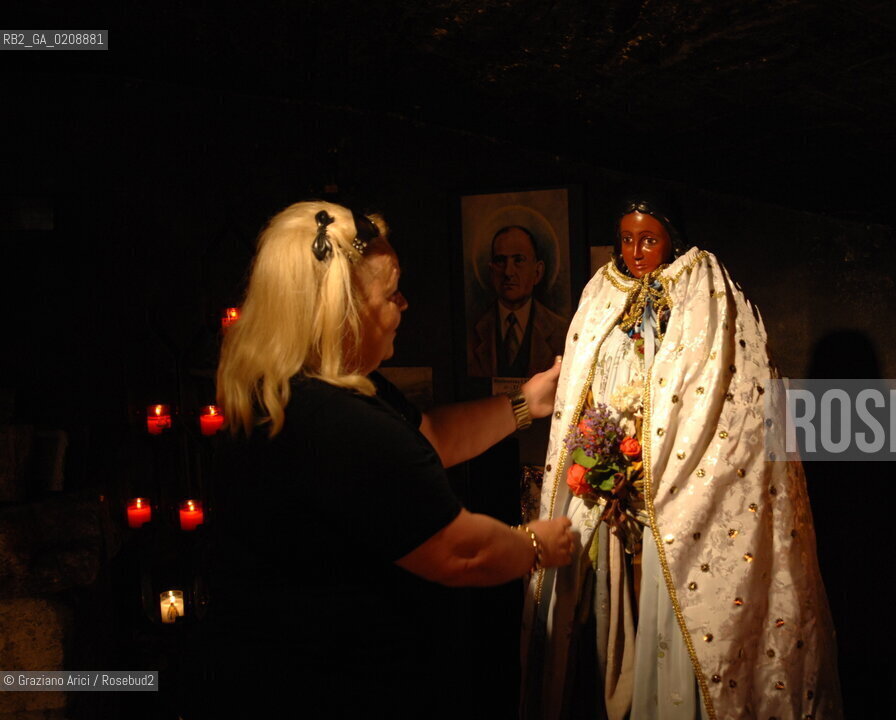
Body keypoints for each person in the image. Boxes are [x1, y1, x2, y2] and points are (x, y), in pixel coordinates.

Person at [198, 201, 575, 717]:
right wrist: (538, 543)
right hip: (335, 692)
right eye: (389, 291)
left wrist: (524, 404)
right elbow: (460, 554)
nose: (404, 303)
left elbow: (432, 437)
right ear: (341, 310)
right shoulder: (339, 423)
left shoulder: (296, 388)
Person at [521, 198, 841, 720]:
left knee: (678, 612)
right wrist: (602, 458)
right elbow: (590, 383)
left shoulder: (708, 294)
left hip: (677, 489)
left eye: (648, 239)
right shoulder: (603, 294)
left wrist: (662, 464)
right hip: (613, 486)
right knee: (612, 617)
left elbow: (730, 399)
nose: (636, 252)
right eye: (626, 239)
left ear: (672, 238)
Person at [469, 225, 569, 377]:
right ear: (491, 271)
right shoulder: (473, 331)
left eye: (519, 260)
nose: (508, 272)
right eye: (501, 261)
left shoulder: (561, 331)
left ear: (537, 272)